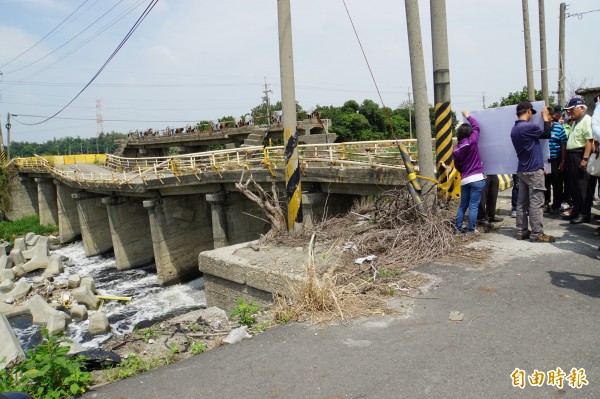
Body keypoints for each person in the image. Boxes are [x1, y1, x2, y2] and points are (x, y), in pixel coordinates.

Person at [510, 101, 554, 242]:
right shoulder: (529, 127)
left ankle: (521, 231)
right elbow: (547, 133)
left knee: (521, 203)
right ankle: (537, 234)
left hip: (522, 170)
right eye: (531, 113)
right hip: (534, 170)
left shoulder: (514, 129)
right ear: (529, 111)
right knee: (536, 203)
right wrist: (545, 117)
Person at [453, 110, 486, 234]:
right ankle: (471, 229)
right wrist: (468, 116)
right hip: (477, 178)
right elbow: (477, 126)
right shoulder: (472, 141)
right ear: (469, 133)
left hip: (465, 179)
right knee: (473, 206)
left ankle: (458, 228)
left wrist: (464, 171)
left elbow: (457, 166)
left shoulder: (455, 149)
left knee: (463, 205)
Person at [563, 97, 594, 224]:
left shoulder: (587, 120)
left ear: (581, 108)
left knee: (583, 187)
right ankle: (576, 210)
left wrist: (585, 159)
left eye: (572, 110)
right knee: (574, 185)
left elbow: (589, 141)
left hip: (580, 155)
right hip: (572, 156)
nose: (569, 113)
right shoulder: (576, 121)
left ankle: (584, 213)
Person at [546, 105, 568, 214]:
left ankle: (556, 205)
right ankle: (546, 203)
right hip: (545, 161)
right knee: (545, 183)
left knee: (557, 183)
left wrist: (563, 161)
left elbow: (563, 144)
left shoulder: (559, 127)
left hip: (556, 160)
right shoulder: (541, 127)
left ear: (551, 116)